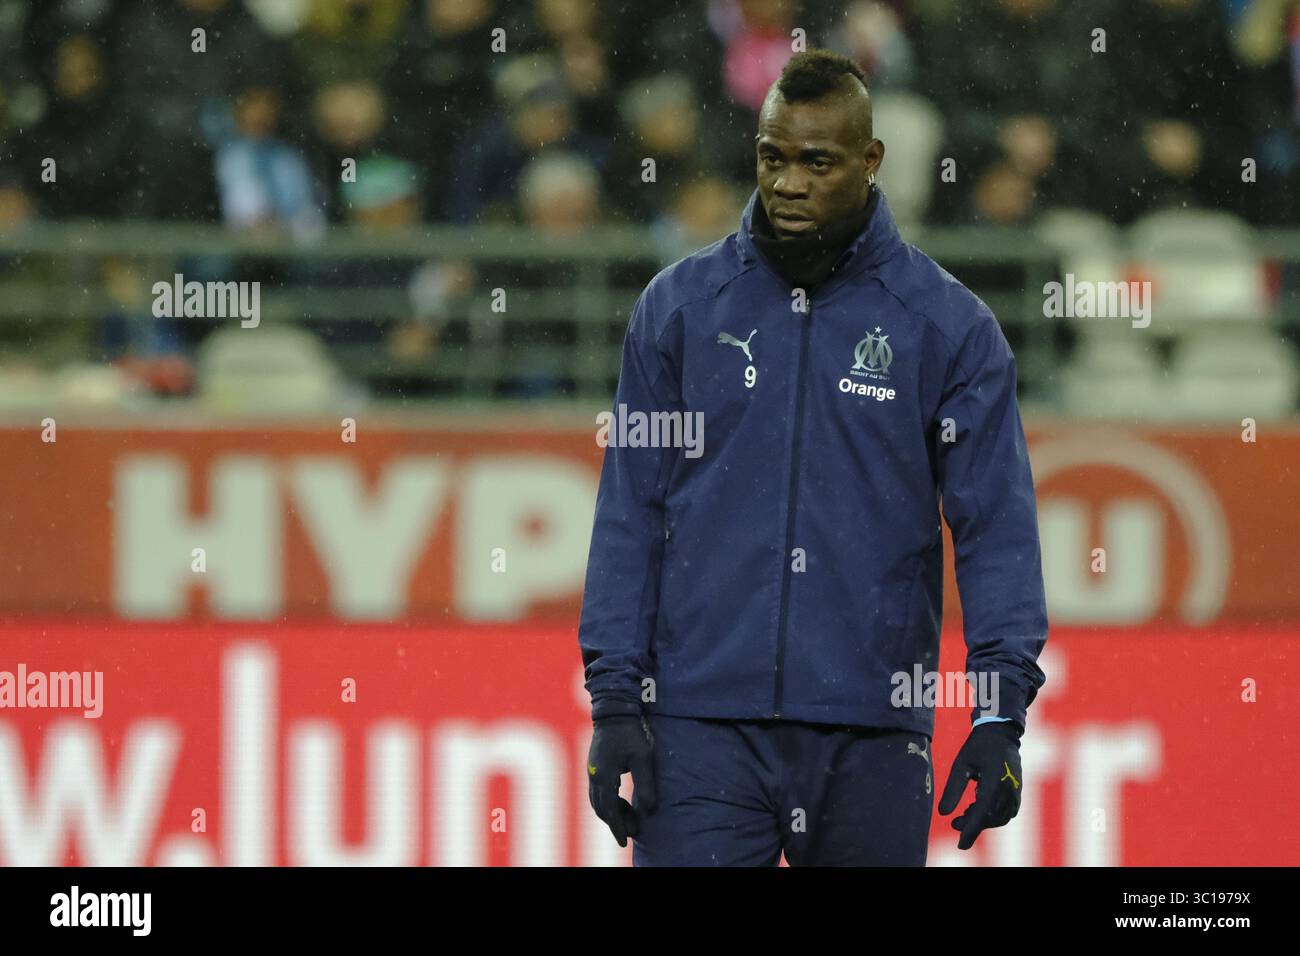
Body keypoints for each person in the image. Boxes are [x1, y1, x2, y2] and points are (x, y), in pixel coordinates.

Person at [577, 50, 1048, 866]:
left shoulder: (947, 329)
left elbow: (994, 529)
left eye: (816, 162)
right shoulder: (679, 310)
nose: (787, 183)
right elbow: (630, 512)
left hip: (872, 731)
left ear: (870, 163)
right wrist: (615, 699)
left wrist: (999, 713)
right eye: (772, 158)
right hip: (698, 729)